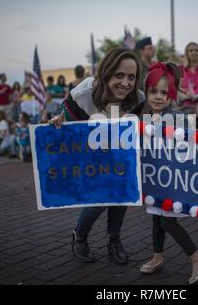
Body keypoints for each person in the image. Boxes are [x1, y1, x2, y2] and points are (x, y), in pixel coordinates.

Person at [48, 48, 146, 264]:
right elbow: (66, 119)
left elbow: (137, 128)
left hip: (118, 153)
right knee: (102, 195)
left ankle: (114, 239)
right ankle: (79, 235)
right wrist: (59, 121)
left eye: (131, 77)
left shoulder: (138, 98)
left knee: (123, 190)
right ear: (106, 73)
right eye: (119, 75)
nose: (126, 83)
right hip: (90, 154)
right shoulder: (83, 93)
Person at [137, 61, 198, 285]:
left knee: (167, 223)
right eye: (153, 91)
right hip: (157, 181)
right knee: (156, 217)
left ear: (171, 95)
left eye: (164, 92)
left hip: (174, 183)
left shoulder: (178, 119)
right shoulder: (144, 118)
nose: (158, 96)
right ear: (146, 92)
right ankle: (157, 257)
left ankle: (197, 258)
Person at [178, 42, 198, 114]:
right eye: (190, 50)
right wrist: (185, 96)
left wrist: (197, 97)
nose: (193, 52)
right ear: (186, 53)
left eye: (196, 50)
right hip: (184, 107)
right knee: (183, 124)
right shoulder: (181, 69)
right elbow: (177, 88)